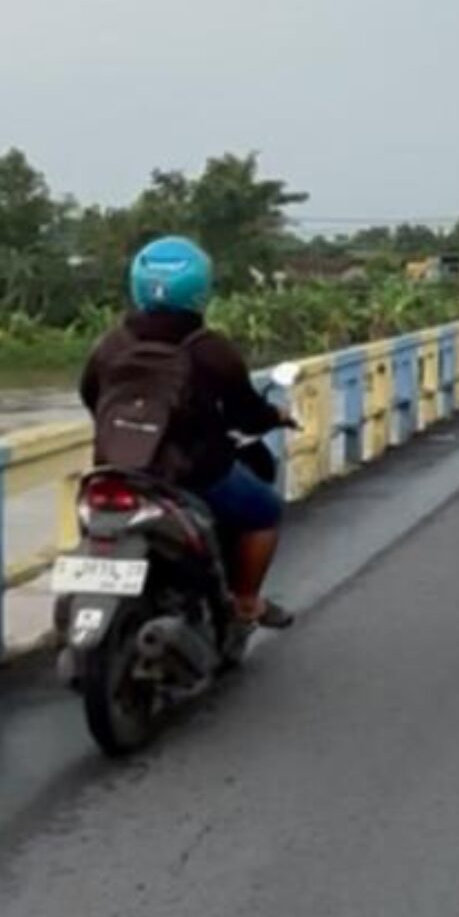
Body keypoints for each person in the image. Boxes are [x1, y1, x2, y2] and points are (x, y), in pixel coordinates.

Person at [80, 236, 296, 629]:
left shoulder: (110, 344)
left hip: (116, 471)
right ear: (200, 290)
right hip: (192, 474)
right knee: (265, 512)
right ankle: (247, 602)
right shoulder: (211, 349)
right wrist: (275, 416)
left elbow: (91, 397)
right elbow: (246, 415)